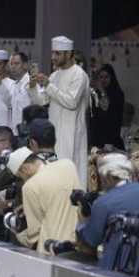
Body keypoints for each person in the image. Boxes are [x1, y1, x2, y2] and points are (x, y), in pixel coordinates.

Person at [7, 120, 82, 254]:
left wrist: (17, 230)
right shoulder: (68, 165)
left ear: (23, 169)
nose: (22, 180)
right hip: (74, 245)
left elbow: (33, 236)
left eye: (20, 176)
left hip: (50, 251)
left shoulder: (30, 187)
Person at [27, 35, 90, 186]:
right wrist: (33, 86)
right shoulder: (55, 75)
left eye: (57, 54)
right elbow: (42, 101)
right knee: (54, 174)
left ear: (69, 54)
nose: (53, 57)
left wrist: (48, 84)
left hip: (72, 133)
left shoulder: (79, 74)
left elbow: (71, 102)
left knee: (71, 174)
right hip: (54, 133)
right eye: (52, 53)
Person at [76, 153, 139, 271]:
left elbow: (91, 241)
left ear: (108, 176)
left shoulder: (104, 203)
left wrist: (82, 222)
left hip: (116, 270)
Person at [91, 64, 125, 150]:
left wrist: (102, 91)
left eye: (106, 77)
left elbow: (106, 109)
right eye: (101, 77)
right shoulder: (95, 94)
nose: (103, 80)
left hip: (111, 141)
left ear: (112, 78)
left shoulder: (117, 94)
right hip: (97, 140)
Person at [8, 52, 32, 134]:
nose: (13, 67)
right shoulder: (13, 85)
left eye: (16, 64)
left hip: (28, 132)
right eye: (11, 64)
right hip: (15, 132)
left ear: (25, 65)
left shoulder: (31, 83)